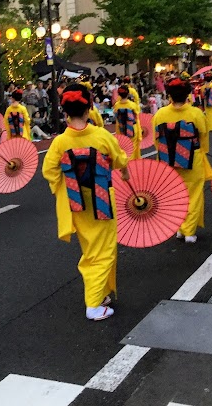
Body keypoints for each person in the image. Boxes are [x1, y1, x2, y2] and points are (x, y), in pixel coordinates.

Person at [42, 84, 129, 321]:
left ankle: (101, 293)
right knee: (103, 251)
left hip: (76, 202)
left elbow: (49, 171)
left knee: (91, 248)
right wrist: (123, 171)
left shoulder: (60, 142)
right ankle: (93, 304)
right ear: (89, 107)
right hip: (102, 201)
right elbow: (119, 159)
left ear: (65, 111)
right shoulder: (102, 136)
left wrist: (65, 186)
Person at [152, 78, 212, 243]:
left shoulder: (160, 114)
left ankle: (180, 228)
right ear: (188, 94)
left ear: (169, 95)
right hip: (191, 157)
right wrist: (203, 151)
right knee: (193, 194)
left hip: (167, 158)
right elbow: (203, 135)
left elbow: (156, 140)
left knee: (175, 194)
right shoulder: (196, 113)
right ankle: (189, 231)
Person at [113, 86, 142, 160]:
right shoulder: (132, 105)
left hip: (121, 128)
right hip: (132, 128)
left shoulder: (116, 105)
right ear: (128, 94)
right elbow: (137, 116)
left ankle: (125, 162)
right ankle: (131, 162)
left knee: (124, 147)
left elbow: (116, 117)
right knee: (133, 147)